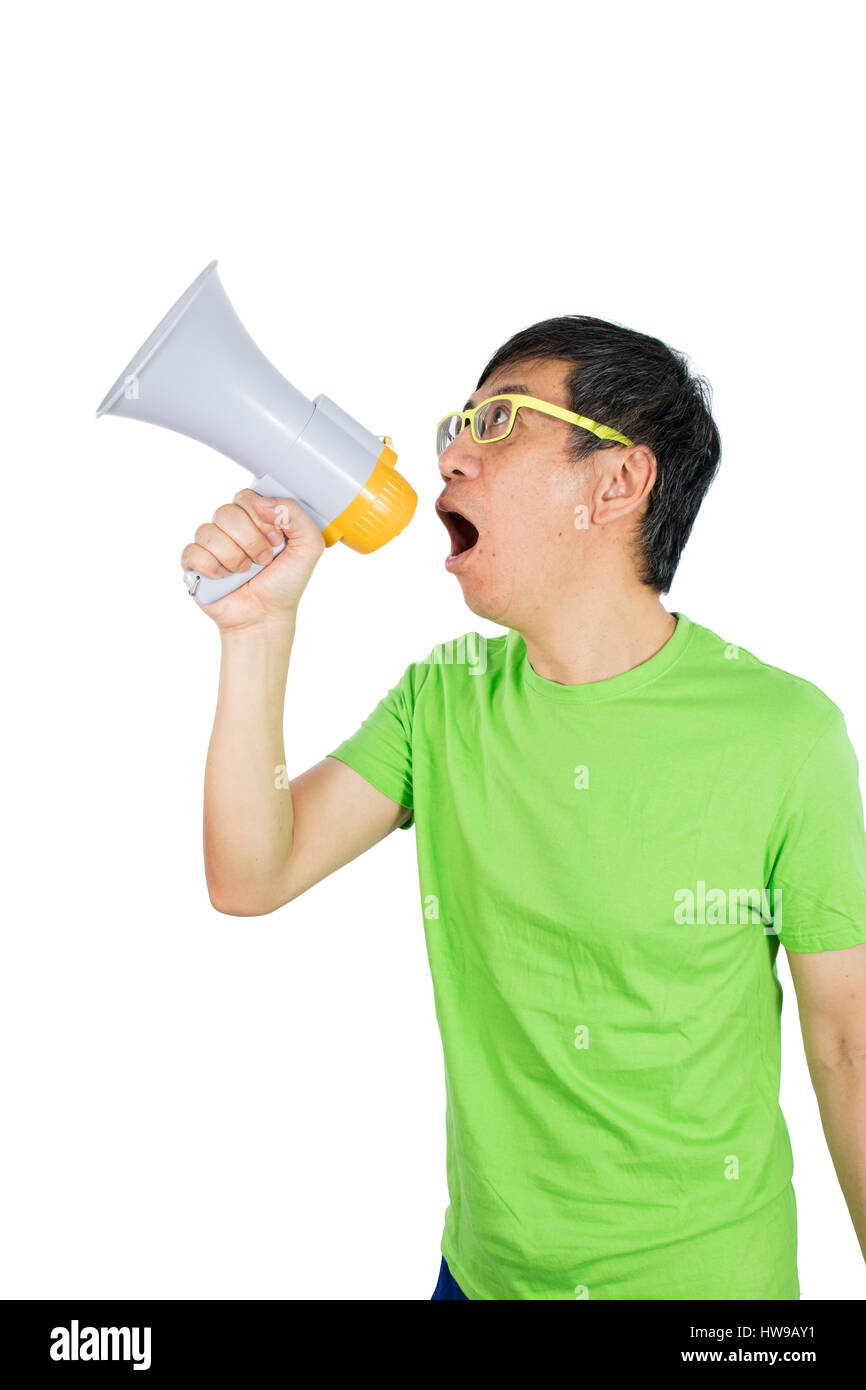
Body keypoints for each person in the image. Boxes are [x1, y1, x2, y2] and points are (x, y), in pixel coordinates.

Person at [181, 315, 866, 1300]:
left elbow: (845, 1041)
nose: (452, 452)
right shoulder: (443, 698)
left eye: (496, 421)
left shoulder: (783, 733)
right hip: (480, 1281)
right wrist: (256, 629)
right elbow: (251, 874)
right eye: (455, 423)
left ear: (616, 482)